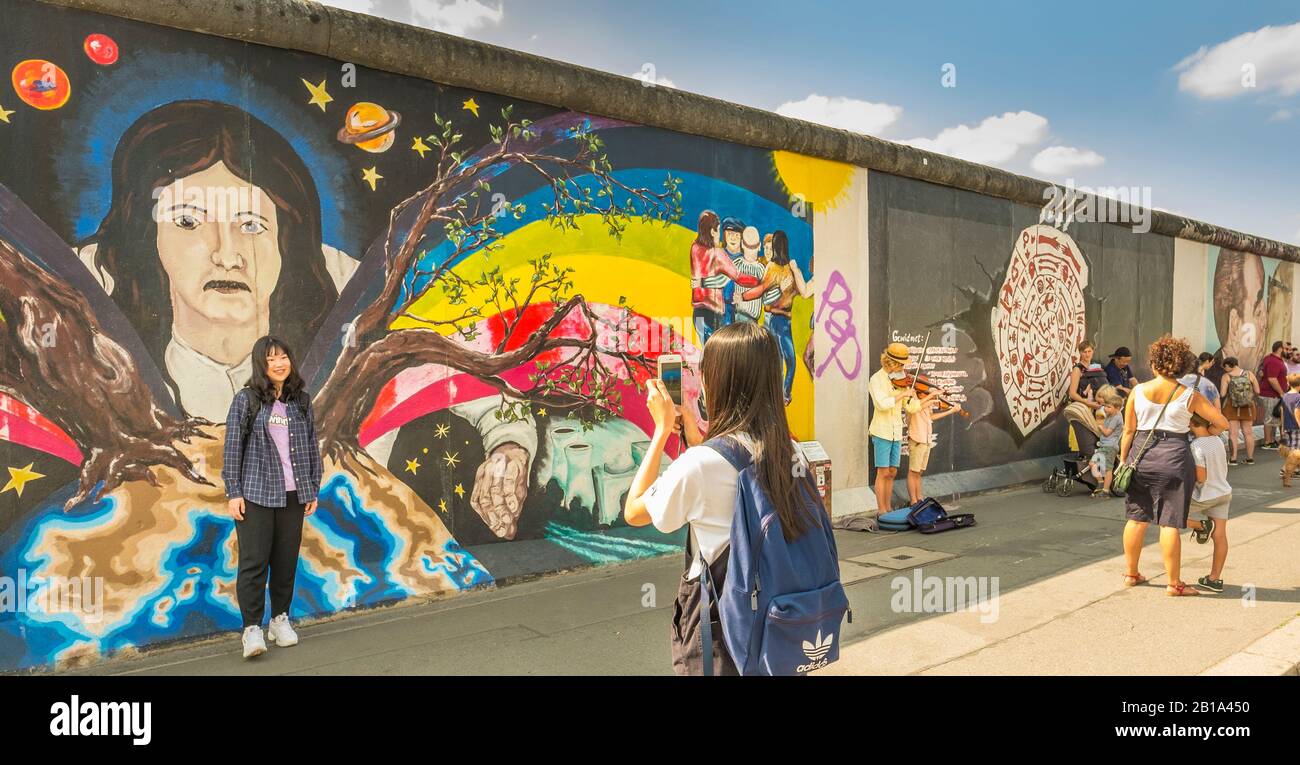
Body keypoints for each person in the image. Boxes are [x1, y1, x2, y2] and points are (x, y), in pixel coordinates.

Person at [80, 100, 538, 540]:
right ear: (149, 234)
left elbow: (461, 364)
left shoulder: (350, 295)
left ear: (284, 232)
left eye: (251, 224)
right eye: (187, 222)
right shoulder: (91, 295)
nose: (227, 255)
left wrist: (510, 447)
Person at [622, 322, 818, 675]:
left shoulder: (701, 465)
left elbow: (635, 510)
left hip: (722, 630)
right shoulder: (791, 453)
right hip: (779, 623)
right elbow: (731, 464)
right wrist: (698, 437)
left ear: (716, 383)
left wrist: (661, 431)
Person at [222, 335, 323, 658]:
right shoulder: (247, 400)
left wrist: (312, 488)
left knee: (285, 562)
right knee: (254, 563)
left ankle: (280, 620)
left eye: (283, 357)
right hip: (255, 494)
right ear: (260, 366)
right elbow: (232, 447)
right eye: (270, 360)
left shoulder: (300, 401)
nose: (278, 364)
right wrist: (233, 492)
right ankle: (252, 629)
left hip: (294, 495)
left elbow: (310, 446)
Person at [1118, 335, 1228, 597]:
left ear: (1155, 363)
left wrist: (1124, 460)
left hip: (1140, 455)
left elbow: (1128, 430)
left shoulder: (1137, 391)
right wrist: (1208, 430)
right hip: (1175, 456)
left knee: (1137, 517)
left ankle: (1132, 574)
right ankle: (1173, 583)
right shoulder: (1189, 395)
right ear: (1181, 365)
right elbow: (1222, 423)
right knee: (1169, 522)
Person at [740, 230, 812, 404]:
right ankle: (782, 396)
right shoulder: (775, 268)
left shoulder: (782, 269)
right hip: (776, 319)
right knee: (784, 361)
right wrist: (744, 297)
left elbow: (801, 292)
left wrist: (744, 296)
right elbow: (765, 292)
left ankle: (782, 395)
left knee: (784, 361)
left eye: (771, 246)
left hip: (779, 320)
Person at [689, 210, 760, 345]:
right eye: (721, 231)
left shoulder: (694, 247)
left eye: (736, 235)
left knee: (708, 352)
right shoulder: (719, 254)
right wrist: (759, 281)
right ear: (712, 232)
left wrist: (702, 282)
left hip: (698, 312)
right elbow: (738, 277)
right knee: (719, 354)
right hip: (714, 314)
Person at [869, 343, 919, 515]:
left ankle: (888, 507)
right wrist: (902, 395)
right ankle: (881, 510)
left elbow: (910, 408)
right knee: (882, 471)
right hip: (882, 431)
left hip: (896, 432)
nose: (903, 368)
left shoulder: (900, 380)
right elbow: (881, 404)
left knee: (892, 471)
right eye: (901, 364)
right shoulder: (876, 379)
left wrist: (917, 398)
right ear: (891, 362)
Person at [1185, 413, 1231, 593]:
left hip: (1205, 494)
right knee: (1220, 536)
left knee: (1169, 516)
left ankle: (1201, 525)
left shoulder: (1196, 446)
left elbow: (1201, 477)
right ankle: (1214, 578)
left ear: (1191, 423)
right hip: (1223, 491)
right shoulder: (1217, 440)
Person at [905, 391, 962, 504]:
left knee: (919, 472)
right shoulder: (911, 397)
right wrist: (931, 397)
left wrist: (950, 411)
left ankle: (919, 499)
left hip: (926, 438)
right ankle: (913, 501)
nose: (925, 389)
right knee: (913, 471)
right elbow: (915, 408)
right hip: (917, 437)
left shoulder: (924, 397)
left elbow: (930, 416)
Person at [1218, 356, 1259, 465]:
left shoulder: (1226, 376)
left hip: (1232, 407)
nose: (1224, 369)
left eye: (1224, 367)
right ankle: (1250, 458)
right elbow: (1257, 390)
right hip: (1248, 407)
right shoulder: (1249, 374)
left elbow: (1222, 394)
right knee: (1248, 433)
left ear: (1228, 365)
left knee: (1233, 433)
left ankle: (1233, 459)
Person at [1088, 386, 1125, 498]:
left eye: (1108, 407)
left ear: (1117, 408)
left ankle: (1105, 490)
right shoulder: (1111, 415)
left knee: (1108, 468)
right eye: (1105, 406)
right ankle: (1100, 482)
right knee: (1092, 463)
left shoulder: (1116, 418)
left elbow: (1107, 433)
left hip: (1110, 446)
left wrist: (1099, 426)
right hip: (1104, 445)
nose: (1105, 409)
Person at [731, 226, 768, 324]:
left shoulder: (762, 269)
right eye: (749, 247)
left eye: (753, 247)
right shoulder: (736, 264)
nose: (751, 251)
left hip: (753, 320)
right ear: (742, 244)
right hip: (738, 316)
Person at [1257, 340, 1289, 449]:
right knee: (1269, 418)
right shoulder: (1273, 361)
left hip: (1273, 394)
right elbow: (1272, 379)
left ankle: (1271, 440)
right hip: (1270, 394)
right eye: (1286, 348)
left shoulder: (1272, 359)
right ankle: (1267, 442)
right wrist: (1281, 393)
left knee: (1274, 417)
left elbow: (1262, 371)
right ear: (1280, 349)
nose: (1288, 351)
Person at [1280, 373, 1300, 479]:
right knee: (1296, 450)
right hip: (1296, 427)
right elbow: (1297, 412)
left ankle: (1291, 469)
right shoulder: (1298, 397)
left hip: (1287, 426)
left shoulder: (1285, 396)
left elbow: (1282, 411)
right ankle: (1287, 469)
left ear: (1288, 383)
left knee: (1292, 449)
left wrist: (1283, 427)